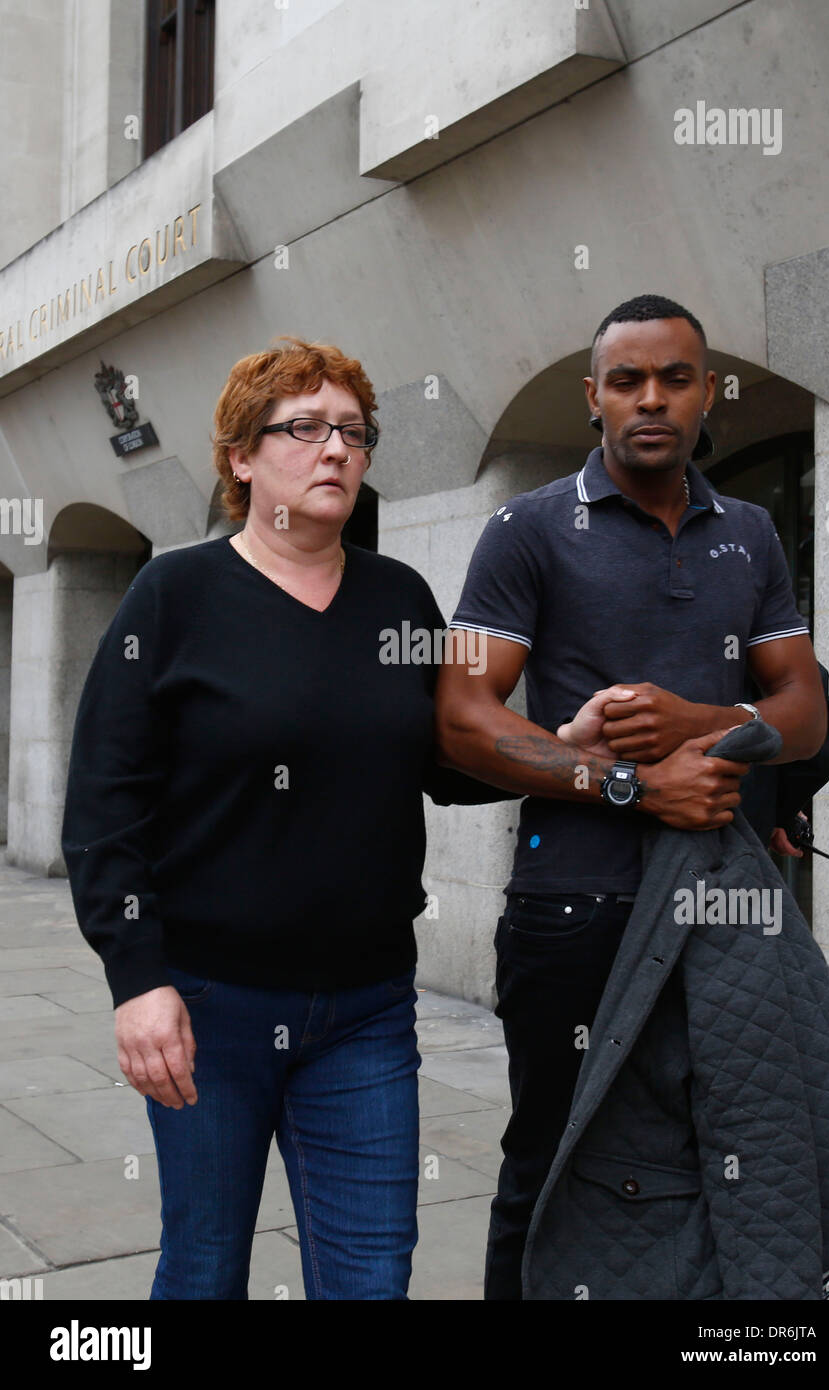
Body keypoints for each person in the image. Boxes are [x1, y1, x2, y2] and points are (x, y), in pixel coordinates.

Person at [61, 336, 505, 1300]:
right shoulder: (171, 596)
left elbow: (447, 766)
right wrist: (136, 980)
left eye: (353, 431)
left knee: (369, 1278)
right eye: (304, 428)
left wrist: (567, 751)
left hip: (368, 1010)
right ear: (241, 456)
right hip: (207, 1007)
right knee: (206, 1269)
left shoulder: (399, 599)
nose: (336, 449)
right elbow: (103, 802)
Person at [435, 293, 827, 1300]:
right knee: (551, 1165)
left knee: (724, 1165)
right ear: (592, 399)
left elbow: (805, 711)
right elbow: (464, 720)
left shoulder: (748, 530)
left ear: (706, 395)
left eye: (673, 378)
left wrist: (695, 720)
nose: (649, 399)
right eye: (625, 381)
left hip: (724, 912)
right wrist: (632, 785)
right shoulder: (525, 529)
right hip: (575, 908)